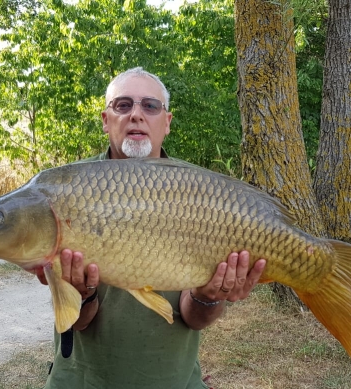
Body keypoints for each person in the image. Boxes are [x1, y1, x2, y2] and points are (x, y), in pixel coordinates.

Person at [35, 67, 267, 388]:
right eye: (123, 105)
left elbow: (193, 318)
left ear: (167, 122)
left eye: (150, 106)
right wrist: (82, 294)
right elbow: (80, 322)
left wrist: (209, 295)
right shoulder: (67, 188)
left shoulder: (203, 193)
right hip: (83, 381)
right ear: (105, 120)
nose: (136, 115)